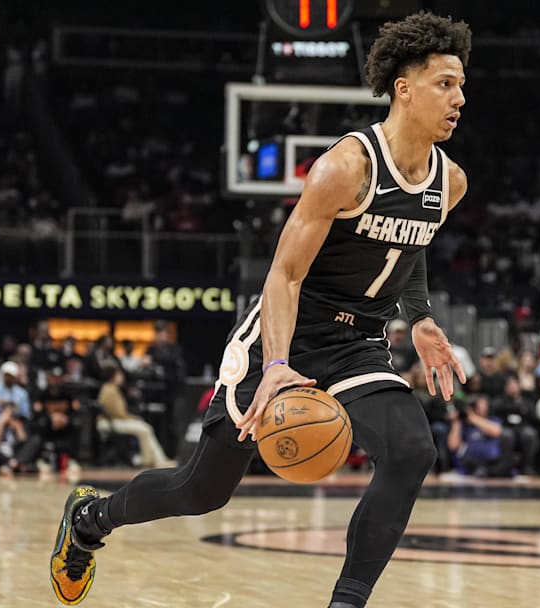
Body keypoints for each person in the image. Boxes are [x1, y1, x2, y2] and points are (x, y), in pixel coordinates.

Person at [49, 13, 472, 608]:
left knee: (411, 451)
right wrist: (275, 365)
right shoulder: (344, 169)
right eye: (445, 84)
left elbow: (414, 242)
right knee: (201, 490)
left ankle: (346, 602)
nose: (459, 98)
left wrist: (421, 316)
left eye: (461, 85)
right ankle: (90, 519)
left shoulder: (448, 182)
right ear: (404, 88)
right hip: (288, 331)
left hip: (358, 344)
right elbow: (284, 274)